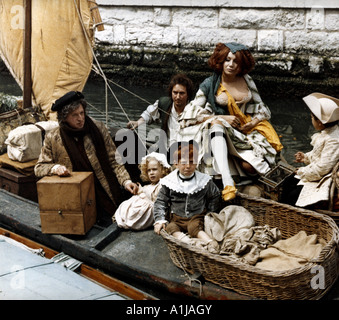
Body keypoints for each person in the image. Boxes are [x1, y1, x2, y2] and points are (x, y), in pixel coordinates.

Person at [177, 42, 283, 201]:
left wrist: (253, 122)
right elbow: (187, 114)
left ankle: (265, 186)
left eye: (236, 61)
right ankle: (228, 182)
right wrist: (220, 117)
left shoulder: (248, 80)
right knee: (216, 125)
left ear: (242, 65)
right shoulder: (210, 83)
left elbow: (264, 109)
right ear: (220, 61)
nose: (231, 65)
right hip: (220, 131)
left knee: (251, 168)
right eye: (227, 60)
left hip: (246, 133)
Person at [34, 91, 139, 226]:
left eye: (82, 113)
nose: (80, 118)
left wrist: (126, 181)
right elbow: (39, 167)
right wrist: (55, 168)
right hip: (76, 196)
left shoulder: (98, 128)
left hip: (104, 191)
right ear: (64, 117)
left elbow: (114, 160)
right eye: (74, 115)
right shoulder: (53, 138)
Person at [153, 140, 220, 253]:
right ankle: (188, 243)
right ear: (176, 164)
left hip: (196, 216)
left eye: (192, 162)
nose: (188, 166)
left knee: (194, 227)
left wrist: (210, 213)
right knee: (170, 227)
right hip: (177, 217)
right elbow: (160, 202)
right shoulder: (170, 182)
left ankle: (210, 243)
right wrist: (159, 219)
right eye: (183, 163)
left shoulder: (203, 180)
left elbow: (215, 195)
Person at [281, 93, 339, 208]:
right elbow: (320, 155)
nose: (311, 120)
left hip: (325, 178)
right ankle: (282, 210)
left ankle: (289, 216)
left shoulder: (334, 140)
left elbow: (323, 167)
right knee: (288, 181)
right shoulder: (327, 133)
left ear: (320, 123)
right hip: (319, 172)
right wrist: (306, 157)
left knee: (293, 195)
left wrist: (302, 171)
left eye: (312, 118)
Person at [126, 73, 195, 151]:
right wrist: (138, 122)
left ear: (188, 94)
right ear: (171, 92)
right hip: (165, 150)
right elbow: (149, 113)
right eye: (175, 93)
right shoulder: (164, 103)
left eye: (182, 93)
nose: (178, 97)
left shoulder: (194, 110)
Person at [114, 152, 171, 230]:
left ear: (163, 170)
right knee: (128, 203)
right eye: (149, 170)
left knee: (137, 210)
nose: (151, 173)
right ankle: (123, 217)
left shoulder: (162, 185)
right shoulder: (149, 186)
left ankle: (129, 219)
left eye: (154, 169)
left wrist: (142, 194)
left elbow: (157, 201)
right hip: (143, 204)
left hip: (152, 209)